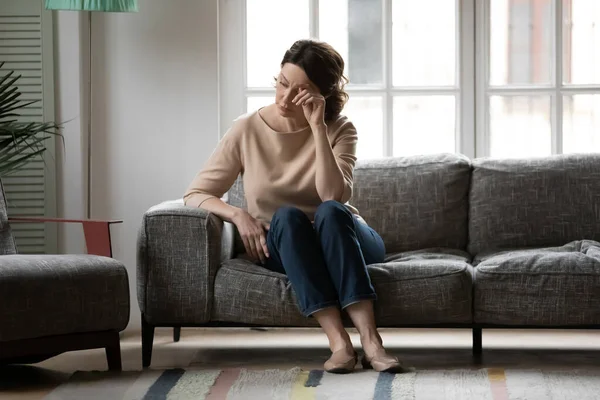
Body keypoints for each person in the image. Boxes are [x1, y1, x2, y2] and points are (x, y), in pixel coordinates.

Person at [184, 39, 406, 374]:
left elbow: (333, 195)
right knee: (286, 216)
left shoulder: (340, 128)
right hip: (287, 242)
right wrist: (238, 214)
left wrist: (317, 127)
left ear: (322, 94)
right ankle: (339, 344)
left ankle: (372, 341)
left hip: (345, 238)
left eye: (300, 91)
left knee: (331, 212)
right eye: (283, 84)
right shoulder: (246, 129)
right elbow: (196, 193)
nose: (286, 99)